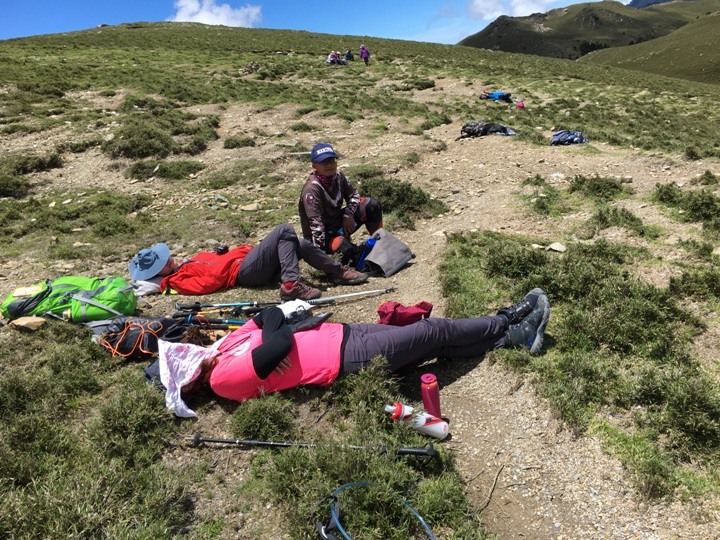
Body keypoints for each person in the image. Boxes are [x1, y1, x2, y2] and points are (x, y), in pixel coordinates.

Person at [159, 289, 551, 415]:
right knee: (434, 331)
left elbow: (266, 317)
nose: (193, 350)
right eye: (187, 358)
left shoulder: (222, 349)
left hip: (339, 334)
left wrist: (273, 323)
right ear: (190, 378)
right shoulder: (224, 380)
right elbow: (274, 335)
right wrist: (274, 325)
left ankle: (510, 339)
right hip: (346, 359)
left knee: (433, 345)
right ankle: (506, 319)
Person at [128, 223, 367, 302]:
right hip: (243, 273)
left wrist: (224, 253)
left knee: (298, 243)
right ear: (160, 270)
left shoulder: (189, 261)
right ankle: (291, 285)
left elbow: (216, 261)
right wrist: (229, 259)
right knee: (284, 230)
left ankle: (337, 272)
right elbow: (209, 284)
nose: (170, 258)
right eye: (164, 261)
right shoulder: (176, 280)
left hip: (246, 263)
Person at [298, 142, 383, 260]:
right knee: (347, 250)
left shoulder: (338, 176)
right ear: (314, 165)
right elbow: (317, 228)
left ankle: (381, 243)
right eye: (324, 162)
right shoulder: (312, 189)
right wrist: (320, 258)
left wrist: (348, 215)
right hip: (323, 236)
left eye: (331, 160)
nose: (329, 165)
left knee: (371, 205)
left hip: (340, 224)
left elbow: (354, 196)